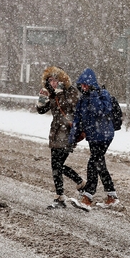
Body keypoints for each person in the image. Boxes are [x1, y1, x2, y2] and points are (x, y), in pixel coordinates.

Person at [67, 68, 119, 211]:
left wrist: (93, 96)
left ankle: (87, 197)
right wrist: (71, 139)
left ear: (92, 84)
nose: (83, 88)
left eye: (86, 85)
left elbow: (101, 111)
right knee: (99, 164)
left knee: (93, 163)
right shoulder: (82, 100)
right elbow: (77, 120)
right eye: (82, 85)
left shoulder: (102, 94)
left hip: (104, 136)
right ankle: (111, 196)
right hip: (93, 137)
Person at [36, 66, 85, 209]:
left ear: (62, 80)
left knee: (58, 164)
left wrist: (60, 94)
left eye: (55, 80)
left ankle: (77, 185)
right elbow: (41, 110)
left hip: (68, 133)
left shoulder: (70, 91)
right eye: (50, 80)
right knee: (55, 165)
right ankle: (62, 195)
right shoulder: (51, 94)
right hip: (55, 132)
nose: (52, 83)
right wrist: (42, 99)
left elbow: (75, 108)